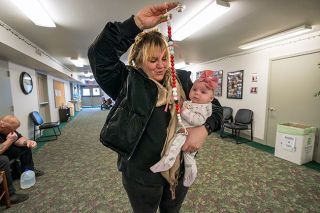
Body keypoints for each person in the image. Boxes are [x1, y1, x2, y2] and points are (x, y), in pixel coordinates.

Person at [88, 2, 222, 212]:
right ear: (139, 60)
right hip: (141, 176)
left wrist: (204, 129)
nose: (161, 65)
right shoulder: (126, 81)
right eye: (152, 60)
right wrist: (136, 24)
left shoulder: (183, 80)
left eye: (164, 58)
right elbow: (99, 55)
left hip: (177, 170)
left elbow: (215, 106)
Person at [150, 70, 218, 187]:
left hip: (187, 133)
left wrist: (183, 111)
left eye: (203, 92)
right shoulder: (191, 102)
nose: (197, 93)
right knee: (188, 158)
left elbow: (198, 120)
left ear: (211, 98)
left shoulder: (203, 107)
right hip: (184, 130)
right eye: (194, 89)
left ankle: (167, 161)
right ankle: (191, 173)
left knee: (175, 144)